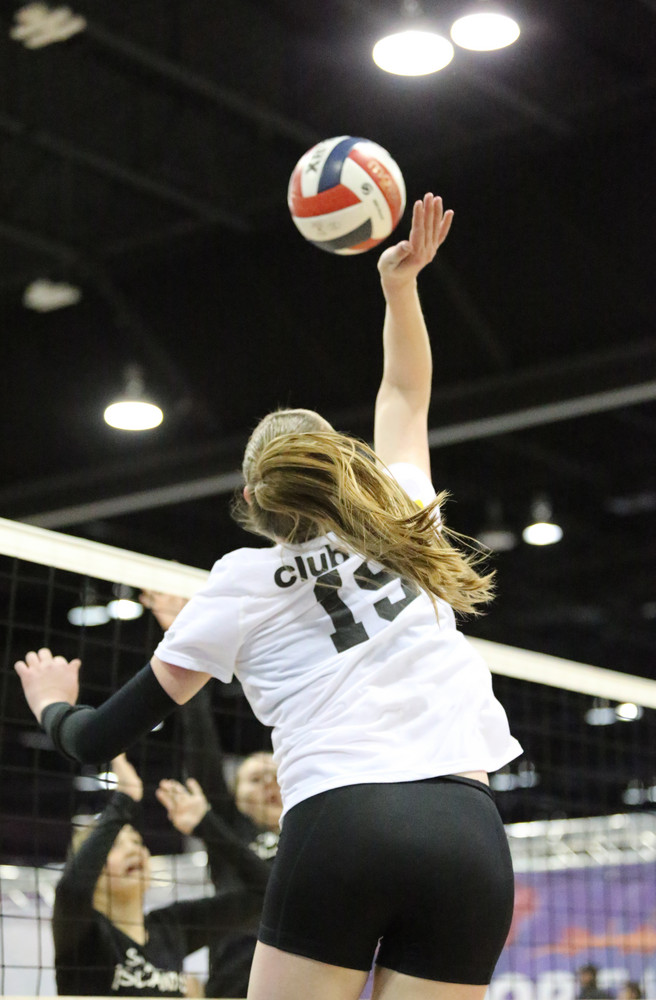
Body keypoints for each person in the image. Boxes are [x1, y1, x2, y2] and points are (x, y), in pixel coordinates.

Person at [17, 193, 523, 1000]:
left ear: (253, 499)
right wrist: (400, 287)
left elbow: (99, 737)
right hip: (469, 832)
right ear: (341, 468)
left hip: (342, 822)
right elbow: (402, 395)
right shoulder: (402, 513)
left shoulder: (239, 583)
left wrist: (52, 705)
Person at [144, 590, 281, 997]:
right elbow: (201, 744)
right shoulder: (230, 827)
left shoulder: (315, 832)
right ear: (234, 797)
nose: (270, 783)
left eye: (275, 776)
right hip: (235, 983)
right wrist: (184, 637)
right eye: (255, 779)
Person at [52, 753, 268, 997]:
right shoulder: (84, 937)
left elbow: (265, 894)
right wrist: (124, 799)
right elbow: (71, 890)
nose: (133, 849)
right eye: (115, 845)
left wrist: (207, 824)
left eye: (137, 841)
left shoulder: (171, 927)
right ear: (92, 864)